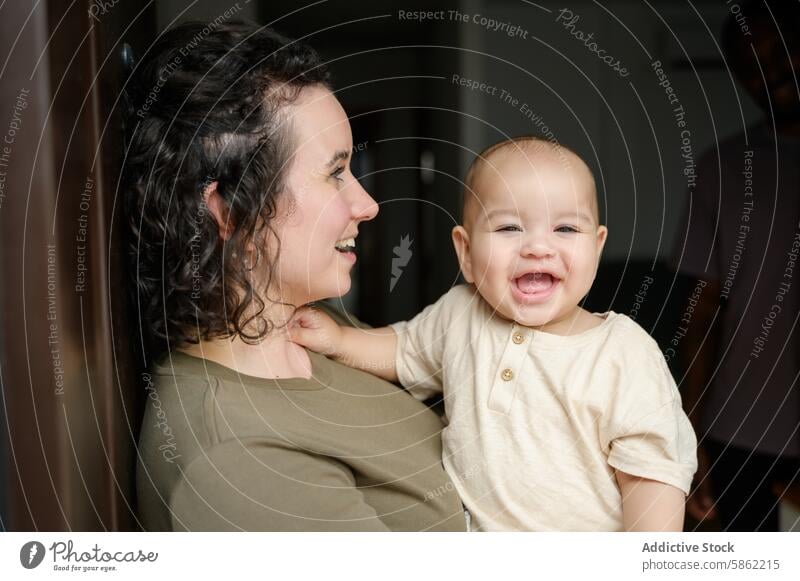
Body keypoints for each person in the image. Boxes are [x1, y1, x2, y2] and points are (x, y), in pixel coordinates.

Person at [125, 22, 466, 531]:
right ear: (228, 212)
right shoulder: (232, 458)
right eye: (335, 173)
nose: (368, 204)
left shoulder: (315, 323)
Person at [291, 136, 698, 531]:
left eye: (566, 230)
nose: (538, 247)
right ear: (465, 253)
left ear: (596, 246)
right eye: (508, 228)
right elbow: (403, 351)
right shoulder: (460, 314)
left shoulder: (623, 354)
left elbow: (653, 477)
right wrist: (340, 341)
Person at [672, 0, 800, 531]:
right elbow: (699, 313)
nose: (768, 72)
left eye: (778, 51)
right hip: (738, 430)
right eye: (750, 65)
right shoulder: (723, 167)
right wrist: (686, 441)